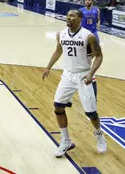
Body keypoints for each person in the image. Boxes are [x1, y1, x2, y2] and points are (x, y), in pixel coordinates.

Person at [42, 9, 107, 158]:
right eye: (67, 15)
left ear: (80, 19)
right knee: (58, 106)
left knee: (91, 113)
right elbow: (58, 51)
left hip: (84, 75)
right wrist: (48, 67)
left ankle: (98, 134)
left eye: (72, 15)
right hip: (68, 75)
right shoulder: (61, 34)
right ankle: (66, 140)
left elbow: (99, 56)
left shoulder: (89, 36)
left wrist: (91, 73)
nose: (68, 17)